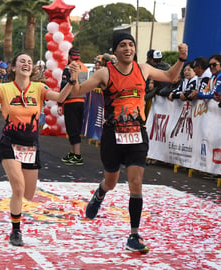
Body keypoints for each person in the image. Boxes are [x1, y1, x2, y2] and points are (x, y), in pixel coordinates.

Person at [69, 32, 188, 253]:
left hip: (137, 135)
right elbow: (77, 92)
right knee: (111, 182)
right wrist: (74, 76)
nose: (127, 48)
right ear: (115, 51)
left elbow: (171, 77)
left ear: (135, 48)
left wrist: (181, 60)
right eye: (122, 45)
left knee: (136, 183)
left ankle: (133, 235)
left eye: (131, 45)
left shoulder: (143, 69)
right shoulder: (105, 73)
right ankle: (101, 192)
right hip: (113, 136)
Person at [0, 52, 75, 246]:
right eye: (22, 61)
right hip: (9, 144)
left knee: (28, 194)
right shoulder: (4, 89)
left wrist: (71, 81)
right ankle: (16, 231)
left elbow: (61, 97)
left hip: (31, 146)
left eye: (29, 62)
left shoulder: (39, 88)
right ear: (13, 67)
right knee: (19, 188)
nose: (26, 64)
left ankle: (16, 211)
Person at [60, 47, 88, 166]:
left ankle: (77, 155)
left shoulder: (68, 68)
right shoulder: (85, 68)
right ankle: (73, 153)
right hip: (82, 101)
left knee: (72, 128)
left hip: (71, 101)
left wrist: (60, 103)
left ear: (70, 56)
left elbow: (64, 86)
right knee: (75, 128)